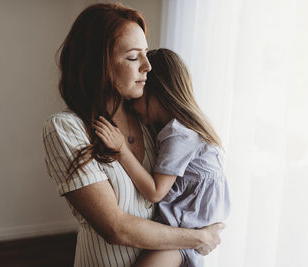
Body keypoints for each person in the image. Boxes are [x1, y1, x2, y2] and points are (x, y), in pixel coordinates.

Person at [42, 4, 224, 267]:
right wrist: (197, 238)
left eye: (146, 54)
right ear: (99, 66)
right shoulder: (66, 129)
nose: (148, 67)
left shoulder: (151, 121)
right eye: (132, 57)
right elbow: (116, 228)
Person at [93, 48, 231, 267]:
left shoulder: (179, 134)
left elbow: (156, 192)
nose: (132, 108)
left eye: (136, 99)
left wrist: (121, 150)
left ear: (158, 93)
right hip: (185, 234)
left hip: (180, 237)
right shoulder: (181, 130)